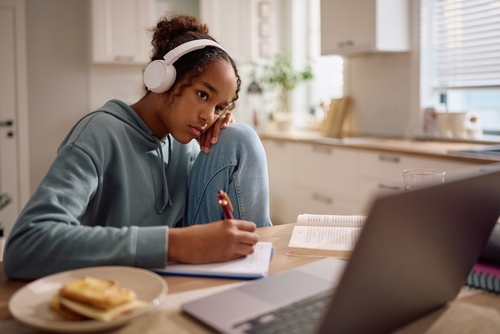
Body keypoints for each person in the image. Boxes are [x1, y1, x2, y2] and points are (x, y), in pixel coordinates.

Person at [4, 13, 272, 280]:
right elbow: (25, 245)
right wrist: (175, 244)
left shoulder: (186, 142)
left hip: (179, 275)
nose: (208, 116)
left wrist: (222, 139)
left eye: (219, 107)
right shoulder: (99, 132)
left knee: (241, 138)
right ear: (163, 78)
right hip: (118, 280)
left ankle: (257, 272)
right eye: (202, 95)